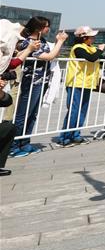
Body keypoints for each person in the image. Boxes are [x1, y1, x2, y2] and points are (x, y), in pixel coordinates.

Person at [10, 17, 68, 156]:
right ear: (39, 28)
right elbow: (48, 57)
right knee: (23, 114)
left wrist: (57, 42)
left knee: (33, 113)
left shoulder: (41, 42)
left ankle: (25, 142)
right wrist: (60, 41)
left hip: (42, 81)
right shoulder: (28, 42)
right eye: (47, 26)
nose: (48, 28)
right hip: (31, 81)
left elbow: (53, 55)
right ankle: (13, 145)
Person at [57, 27, 105, 146]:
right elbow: (91, 58)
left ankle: (76, 134)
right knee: (74, 110)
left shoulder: (91, 48)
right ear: (84, 38)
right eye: (92, 36)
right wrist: (100, 51)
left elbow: (101, 59)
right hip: (76, 83)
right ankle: (65, 137)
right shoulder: (78, 48)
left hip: (87, 83)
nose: (94, 38)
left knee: (82, 110)